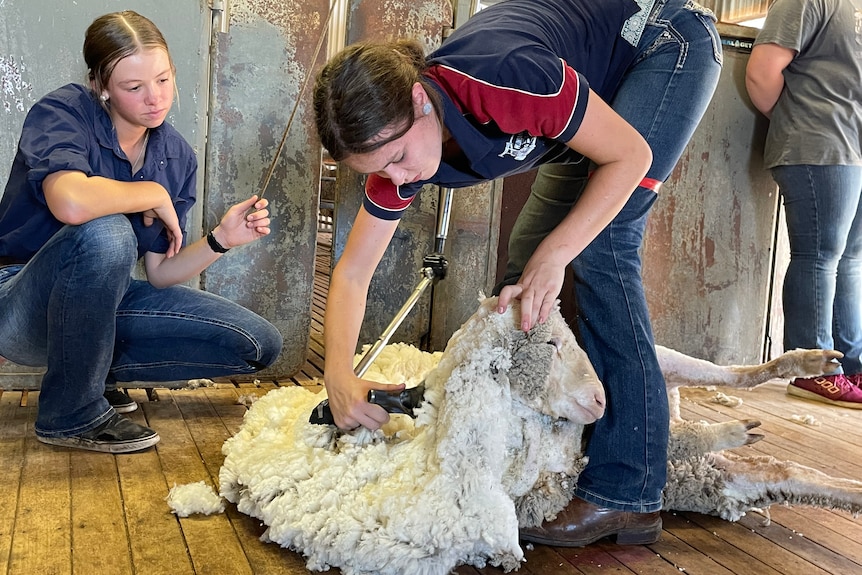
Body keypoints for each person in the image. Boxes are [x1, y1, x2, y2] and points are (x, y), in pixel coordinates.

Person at [313, 0, 722, 547]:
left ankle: (627, 491)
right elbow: (353, 273)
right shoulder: (400, 142)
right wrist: (337, 374)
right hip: (589, 98)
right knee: (523, 272)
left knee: (601, 246)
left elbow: (629, 154)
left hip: (661, 40)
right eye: (379, 169)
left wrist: (557, 255)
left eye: (399, 156)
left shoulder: (503, 78)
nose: (398, 176)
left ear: (419, 99)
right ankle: (550, 452)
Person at [0, 11, 283, 453]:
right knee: (108, 231)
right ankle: (71, 412)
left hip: (101, 303)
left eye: (164, 80)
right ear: (101, 86)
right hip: (17, 301)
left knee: (258, 344)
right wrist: (148, 191)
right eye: (134, 87)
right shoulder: (63, 111)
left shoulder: (176, 156)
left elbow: (161, 273)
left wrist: (221, 239)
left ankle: (92, 376)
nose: (155, 99)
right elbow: (71, 202)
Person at [746, 0, 862, 409]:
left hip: (854, 150)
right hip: (819, 143)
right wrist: (797, 121)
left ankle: (849, 365)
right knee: (819, 256)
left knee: (850, 259)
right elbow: (761, 73)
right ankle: (812, 367)